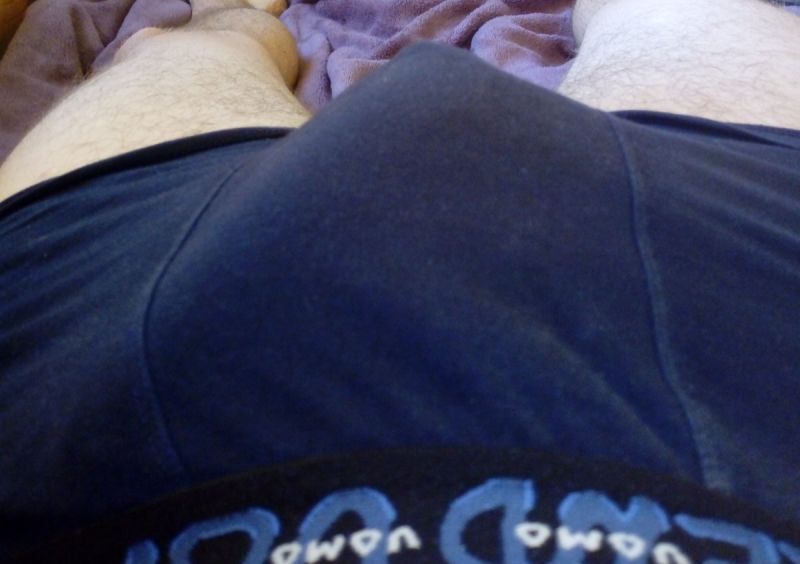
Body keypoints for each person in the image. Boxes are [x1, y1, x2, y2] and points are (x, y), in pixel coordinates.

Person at [1, 0, 799, 560]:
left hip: (114, 370)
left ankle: (236, 13)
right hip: (740, 322)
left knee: (181, 50)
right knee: (675, 9)